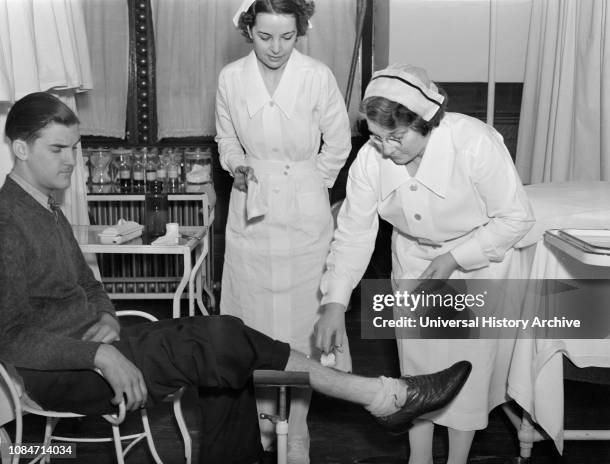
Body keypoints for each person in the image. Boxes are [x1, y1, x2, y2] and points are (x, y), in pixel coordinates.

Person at [0, 92, 472, 464]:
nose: (70, 161)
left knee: (227, 353)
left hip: (92, 349)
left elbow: (87, 284)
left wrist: (103, 313)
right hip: (60, 374)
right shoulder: (7, 221)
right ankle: (381, 395)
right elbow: (12, 338)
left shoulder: (46, 206)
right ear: (20, 148)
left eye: (74, 149)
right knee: (222, 339)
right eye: (58, 149)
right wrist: (99, 353)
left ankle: (366, 403)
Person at [315, 65, 535, 464]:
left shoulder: (473, 143)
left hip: (479, 263)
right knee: (417, 369)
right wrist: (334, 301)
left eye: (395, 137)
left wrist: (455, 258)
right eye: (377, 137)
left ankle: (457, 460)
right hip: (415, 260)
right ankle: (419, 458)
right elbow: (353, 233)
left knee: (467, 371)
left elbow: (516, 218)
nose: (385, 148)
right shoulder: (370, 160)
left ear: (426, 122)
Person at [215, 0, 352, 460]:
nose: (276, 48)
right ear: (248, 30)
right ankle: (261, 422)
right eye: (265, 36)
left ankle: (298, 428)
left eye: (287, 37)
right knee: (252, 324)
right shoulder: (231, 78)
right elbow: (226, 138)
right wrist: (236, 165)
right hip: (250, 203)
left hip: (304, 207)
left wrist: (312, 186)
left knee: (302, 326)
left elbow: (338, 143)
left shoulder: (317, 76)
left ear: (300, 33)